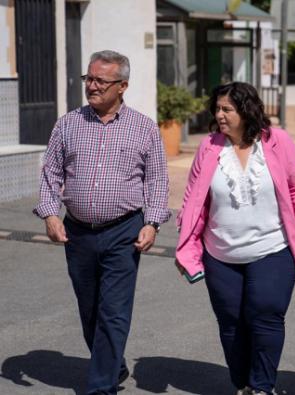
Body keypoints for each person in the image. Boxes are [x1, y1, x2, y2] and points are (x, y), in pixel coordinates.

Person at [33, 50, 170, 394]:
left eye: (100, 81)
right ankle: (112, 364)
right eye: (88, 79)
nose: (91, 86)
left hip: (125, 231)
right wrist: (50, 213)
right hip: (77, 231)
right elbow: (50, 172)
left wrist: (152, 222)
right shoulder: (68, 124)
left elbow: (157, 181)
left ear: (122, 86)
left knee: (113, 311)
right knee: (90, 308)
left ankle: (100, 386)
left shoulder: (144, 128)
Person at [175, 82, 295, 395]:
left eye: (227, 109)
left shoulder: (277, 141)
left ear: (246, 110)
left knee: (266, 314)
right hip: (220, 253)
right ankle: (242, 382)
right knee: (230, 323)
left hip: (273, 247)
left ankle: (261, 386)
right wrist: (185, 245)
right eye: (217, 109)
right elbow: (192, 199)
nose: (220, 115)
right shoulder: (209, 147)